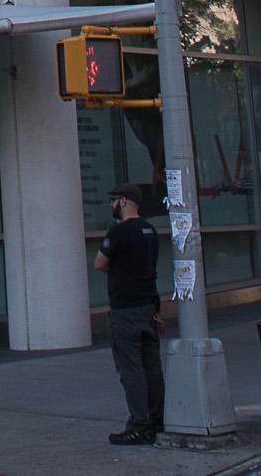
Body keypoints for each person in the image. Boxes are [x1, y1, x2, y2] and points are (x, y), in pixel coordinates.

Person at [95, 183, 162, 446]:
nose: (112, 205)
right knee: (151, 368)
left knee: (131, 369)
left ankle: (139, 424)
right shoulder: (150, 230)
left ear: (123, 202)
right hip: (148, 307)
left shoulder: (119, 231)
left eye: (114, 200)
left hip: (125, 310)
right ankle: (156, 419)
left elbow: (100, 262)